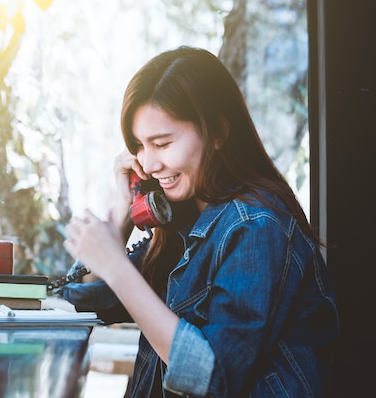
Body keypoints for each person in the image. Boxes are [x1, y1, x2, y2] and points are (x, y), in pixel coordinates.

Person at [57, 46, 339, 398]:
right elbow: (84, 302)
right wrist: (124, 211)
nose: (149, 164)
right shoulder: (185, 221)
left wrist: (116, 266)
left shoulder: (255, 226)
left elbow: (214, 376)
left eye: (161, 143)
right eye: (139, 147)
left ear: (217, 132)